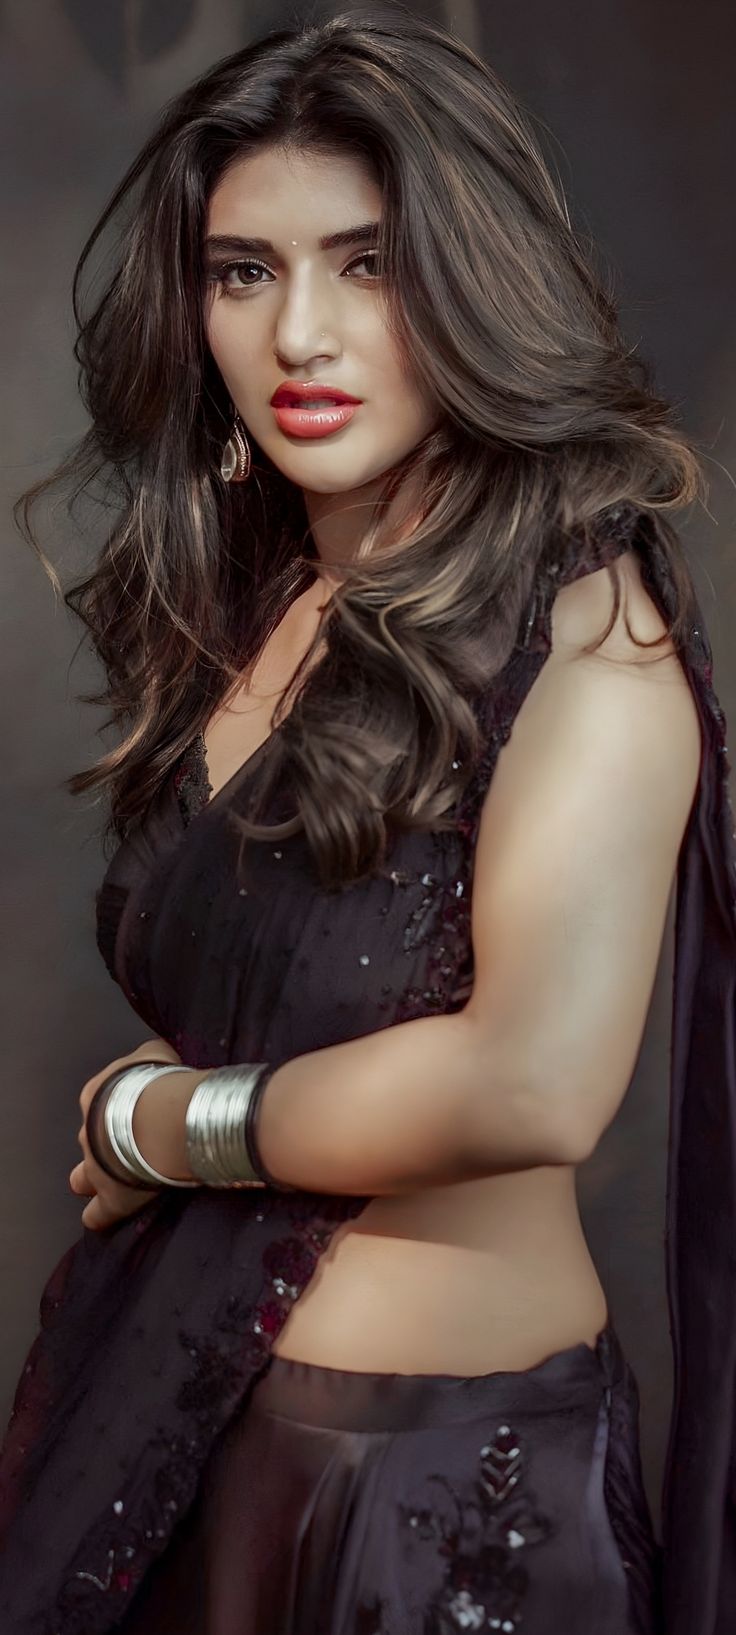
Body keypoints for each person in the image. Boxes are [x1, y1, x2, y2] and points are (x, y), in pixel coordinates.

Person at [0, 7, 734, 1633]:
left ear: (472, 281)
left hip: (432, 1498)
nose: (297, 336)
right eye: (243, 271)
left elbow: (531, 1081)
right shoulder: (254, 611)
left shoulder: (591, 642)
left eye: (368, 262)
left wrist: (166, 1125)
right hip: (181, 1438)